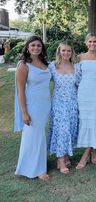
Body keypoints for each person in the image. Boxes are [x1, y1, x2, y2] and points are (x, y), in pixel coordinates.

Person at [14, 36, 51, 180]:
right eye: (33, 45)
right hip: (32, 105)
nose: (36, 48)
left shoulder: (43, 62)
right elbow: (21, 91)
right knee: (33, 135)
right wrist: (24, 112)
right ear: (28, 47)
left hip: (45, 104)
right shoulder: (23, 65)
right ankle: (35, 169)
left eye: (39, 45)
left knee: (40, 134)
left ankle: (39, 164)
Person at [48, 43, 79, 174]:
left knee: (69, 128)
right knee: (61, 129)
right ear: (59, 52)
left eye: (68, 51)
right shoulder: (52, 66)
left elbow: (79, 85)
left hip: (72, 102)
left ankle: (65, 154)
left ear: (72, 53)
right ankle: (60, 160)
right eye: (63, 51)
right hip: (59, 103)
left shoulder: (76, 67)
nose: (66, 53)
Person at [76, 33, 96, 169]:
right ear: (86, 43)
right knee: (85, 120)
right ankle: (93, 151)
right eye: (90, 42)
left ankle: (86, 154)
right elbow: (76, 76)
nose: (92, 44)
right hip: (84, 91)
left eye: (94, 42)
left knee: (95, 120)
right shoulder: (80, 57)